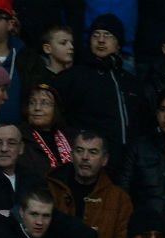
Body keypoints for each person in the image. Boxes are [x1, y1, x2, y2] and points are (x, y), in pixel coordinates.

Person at [53, 16, 138, 160]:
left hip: (128, 162)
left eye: (108, 35)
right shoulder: (73, 77)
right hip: (87, 160)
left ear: (118, 44)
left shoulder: (131, 82)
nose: (101, 40)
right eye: (96, 35)